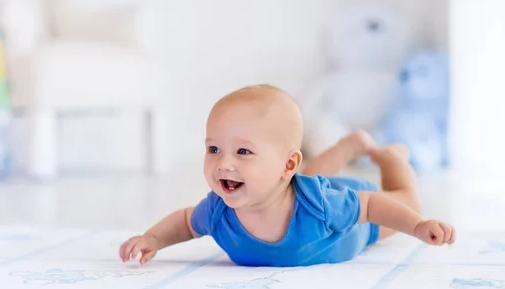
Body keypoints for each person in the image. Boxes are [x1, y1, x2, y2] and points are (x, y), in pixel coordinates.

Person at [119, 84, 456, 267]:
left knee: (405, 198)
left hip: (354, 220)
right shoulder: (219, 209)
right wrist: (153, 239)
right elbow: (185, 221)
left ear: (286, 164)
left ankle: (393, 157)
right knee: (300, 182)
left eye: (243, 152)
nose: (224, 163)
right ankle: (346, 147)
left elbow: (371, 206)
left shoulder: (324, 204)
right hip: (297, 187)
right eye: (214, 149)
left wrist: (417, 226)